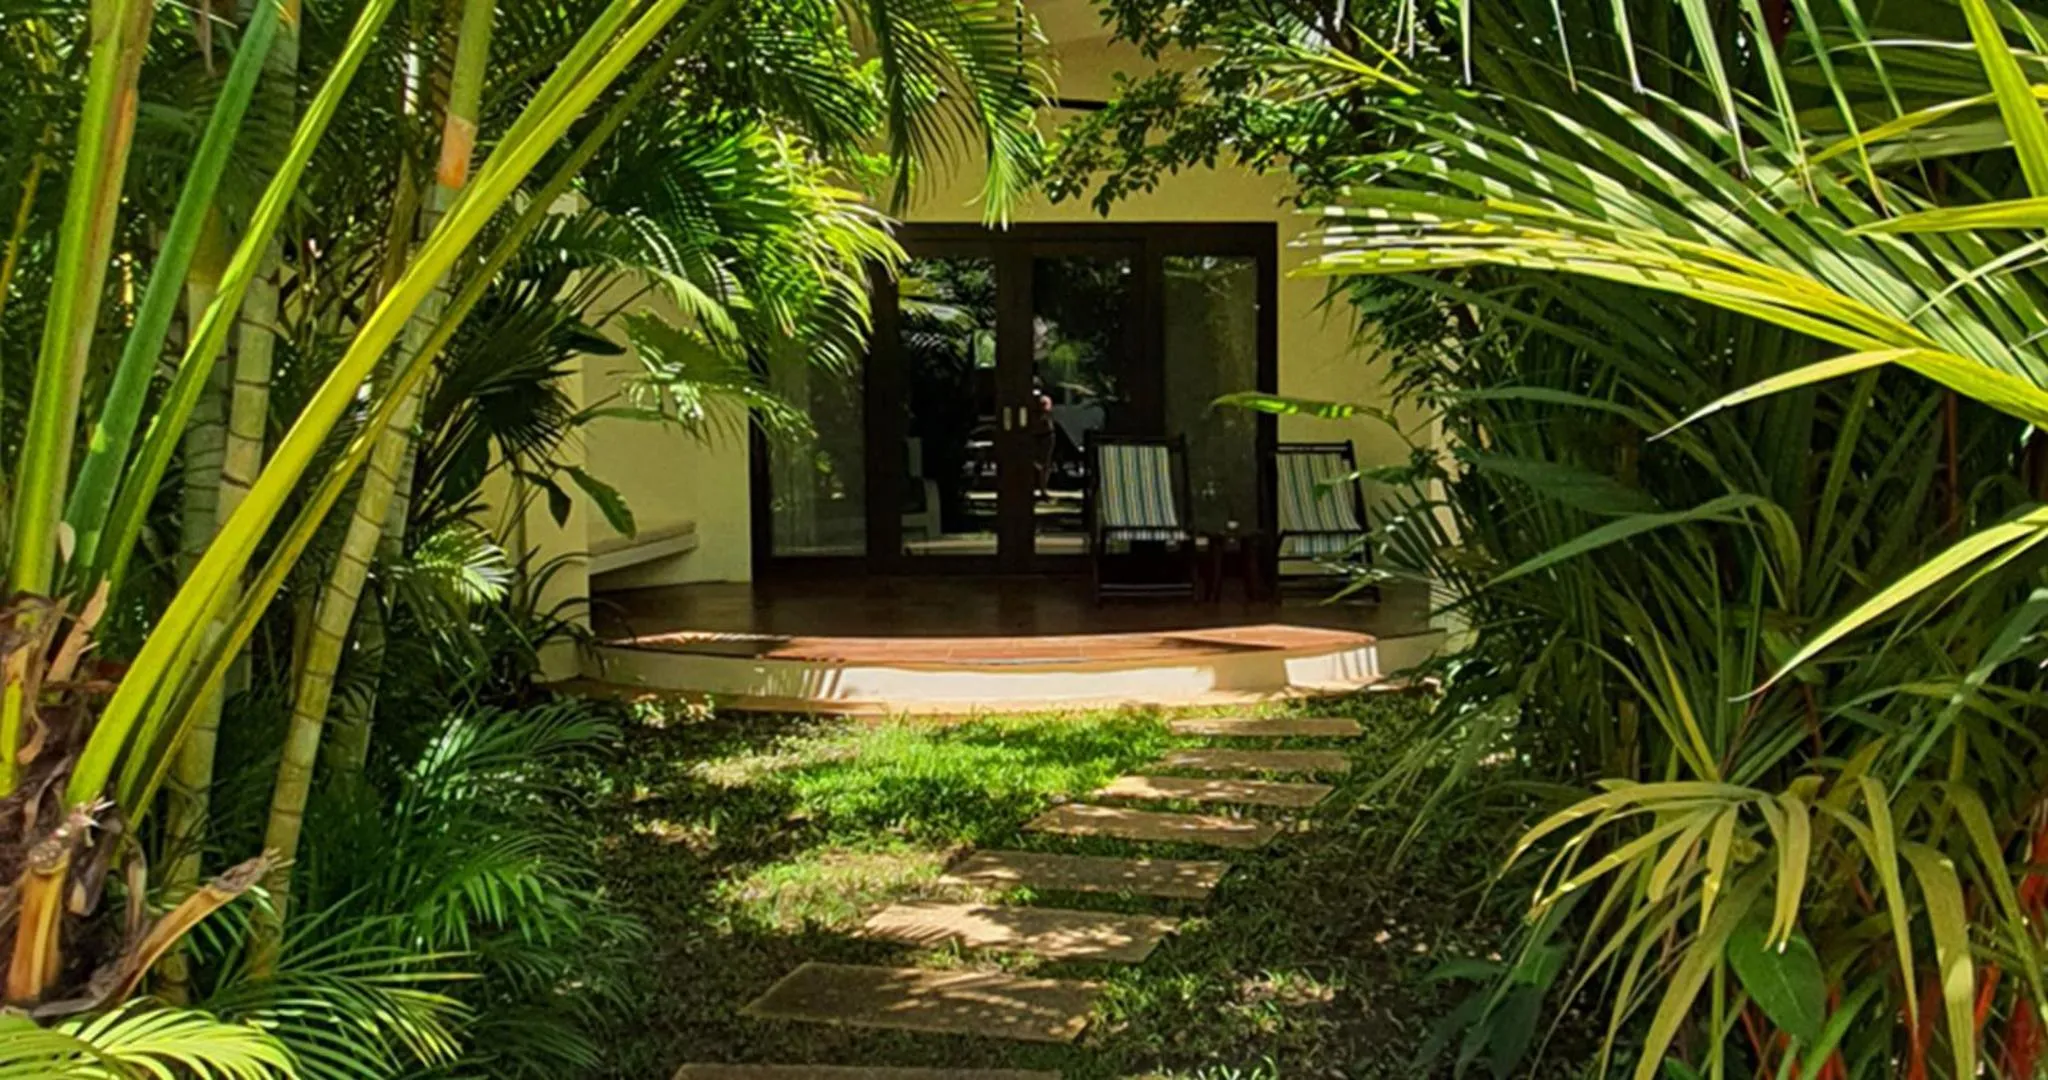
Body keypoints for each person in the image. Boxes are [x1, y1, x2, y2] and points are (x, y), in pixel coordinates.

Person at [1028, 377, 1056, 499]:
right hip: (1032, 435)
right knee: (1031, 462)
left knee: (1045, 463)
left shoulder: (1045, 400)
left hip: (1046, 434)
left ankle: (1043, 489)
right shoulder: (1026, 401)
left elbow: (1046, 410)